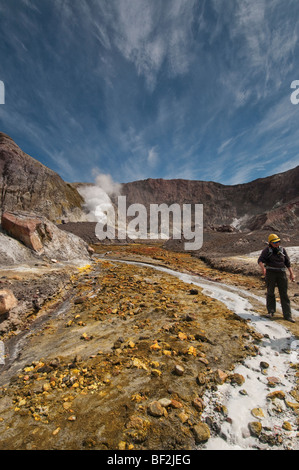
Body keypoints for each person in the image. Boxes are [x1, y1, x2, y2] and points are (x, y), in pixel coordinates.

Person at [258, 233, 295, 323]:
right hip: (271, 273)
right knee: (270, 292)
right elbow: (260, 260)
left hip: (282, 273)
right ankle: (271, 311)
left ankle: (287, 315)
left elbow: (287, 262)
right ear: (270, 243)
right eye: (275, 242)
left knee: (284, 294)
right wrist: (263, 269)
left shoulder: (282, 250)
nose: (277, 244)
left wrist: (291, 273)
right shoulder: (266, 251)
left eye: (278, 242)